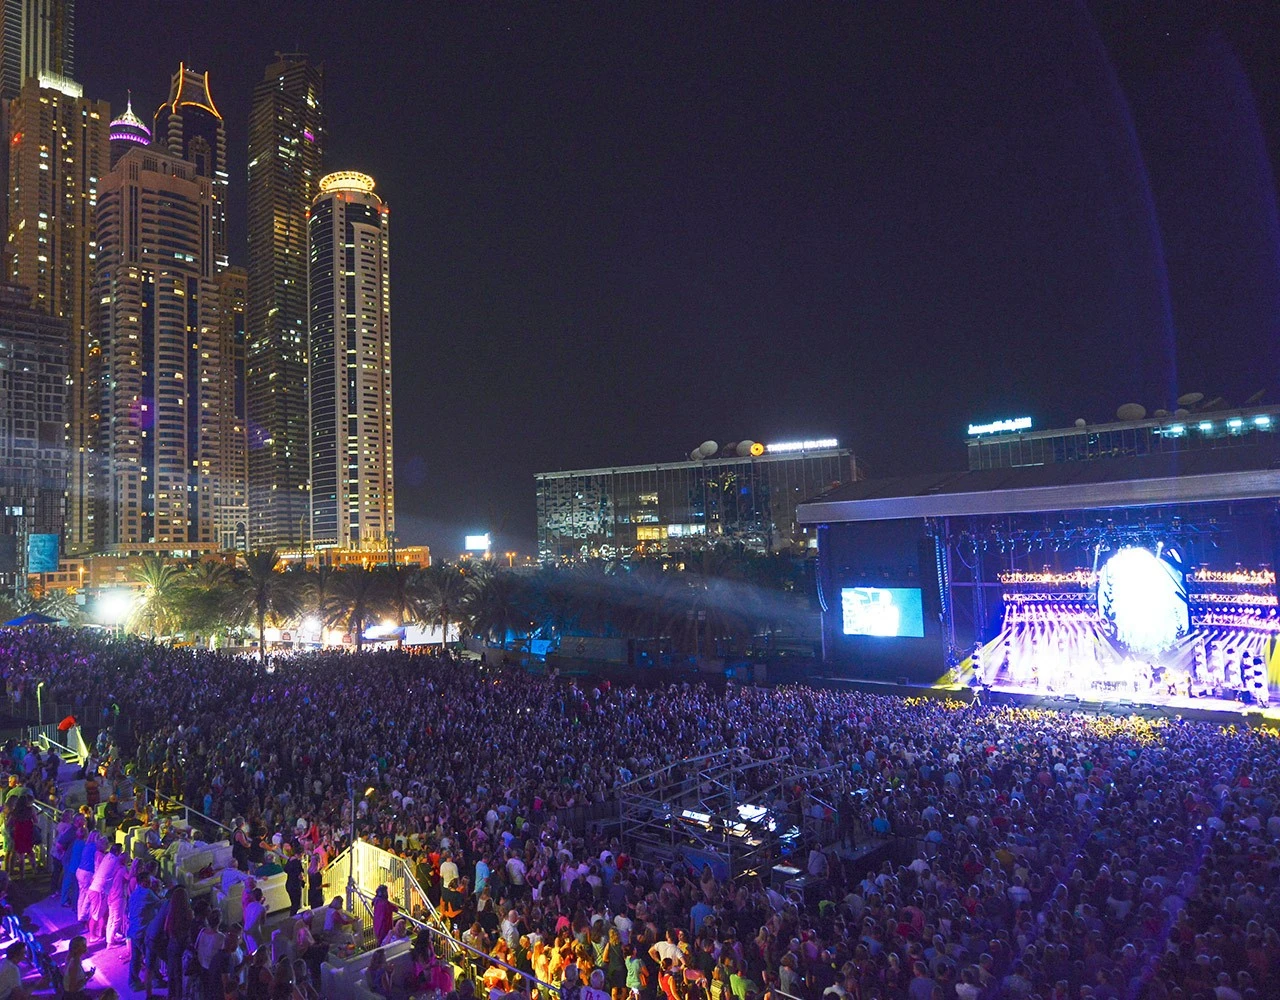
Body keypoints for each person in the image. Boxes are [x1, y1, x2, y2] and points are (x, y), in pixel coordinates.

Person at [62, 936, 94, 1000]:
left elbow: (75, 976)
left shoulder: (75, 959)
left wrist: (86, 974)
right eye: (83, 945)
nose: (85, 947)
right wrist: (88, 978)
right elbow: (73, 989)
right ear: (76, 949)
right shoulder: (74, 964)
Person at [283, 848, 303, 916]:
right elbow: (299, 874)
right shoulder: (297, 863)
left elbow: (285, 870)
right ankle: (294, 917)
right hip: (295, 885)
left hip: (289, 884)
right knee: (296, 904)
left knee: (293, 903)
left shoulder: (289, 861)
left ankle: (292, 916)